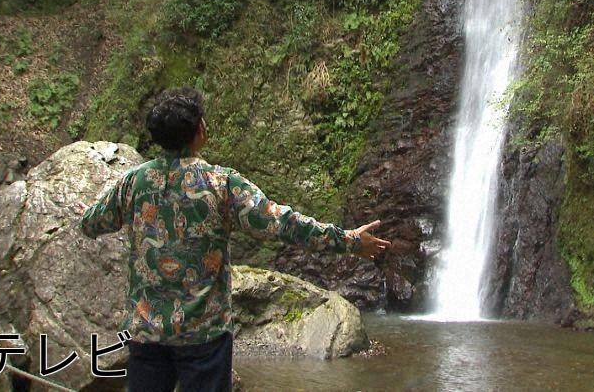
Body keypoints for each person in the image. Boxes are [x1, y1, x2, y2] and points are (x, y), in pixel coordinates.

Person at [78, 86, 390, 392]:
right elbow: (283, 224)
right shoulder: (221, 184)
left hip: (147, 333)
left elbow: (91, 223)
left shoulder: (134, 182)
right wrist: (348, 240)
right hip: (204, 336)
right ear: (199, 130)